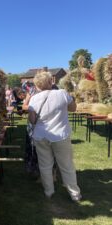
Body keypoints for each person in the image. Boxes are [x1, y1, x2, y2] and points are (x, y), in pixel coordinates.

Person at [28, 72, 81, 201]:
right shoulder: (62, 93)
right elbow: (73, 109)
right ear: (51, 82)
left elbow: (32, 120)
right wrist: (72, 99)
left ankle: (48, 191)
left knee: (45, 165)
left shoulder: (34, 98)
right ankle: (74, 194)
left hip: (41, 136)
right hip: (60, 135)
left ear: (37, 85)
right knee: (66, 165)